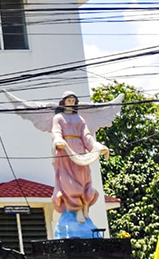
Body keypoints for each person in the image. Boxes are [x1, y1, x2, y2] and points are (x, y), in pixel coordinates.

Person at [51, 93, 109, 223]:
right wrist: (59, 140)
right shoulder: (58, 118)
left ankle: (85, 206)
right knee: (68, 181)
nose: (71, 103)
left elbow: (87, 136)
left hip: (80, 152)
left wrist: (97, 146)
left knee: (84, 178)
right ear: (63, 102)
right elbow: (56, 131)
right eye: (68, 100)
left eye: (73, 101)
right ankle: (76, 209)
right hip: (65, 152)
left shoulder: (80, 119)